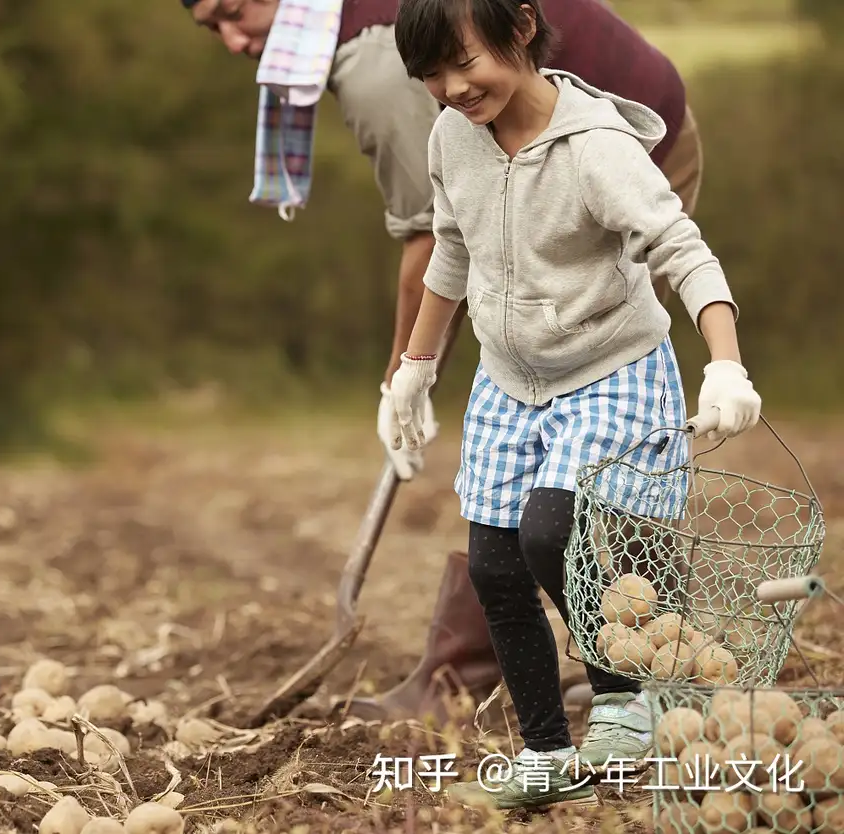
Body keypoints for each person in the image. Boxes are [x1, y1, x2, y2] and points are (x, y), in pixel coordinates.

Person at [181, 0, 707, 728]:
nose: (234, 41)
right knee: (527, 451)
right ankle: (600, 655)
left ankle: (563, 668)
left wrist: (403, 371)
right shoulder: (372, 49)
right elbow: (458, 235)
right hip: (541, 164)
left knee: (590, 420)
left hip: (628, 153)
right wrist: (414, 372)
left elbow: (434, 240)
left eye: (234, 11)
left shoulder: (372, 58)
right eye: (213, 29)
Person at [385, 0, 760, 809]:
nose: (453, 88)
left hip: (609, 366)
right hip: (510, 378)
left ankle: (626, 696)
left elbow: (683, 251)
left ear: (520, 28)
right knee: (493, 562)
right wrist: (414, 370)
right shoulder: (452, 137)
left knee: (553, 529)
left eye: (464, 62)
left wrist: (724, 365)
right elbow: (452, 250)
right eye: (431, 77)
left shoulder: (595, 147)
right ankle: (549, 753)